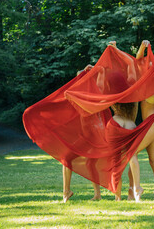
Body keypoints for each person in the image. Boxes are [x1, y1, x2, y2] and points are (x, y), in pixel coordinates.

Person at [127, 40, 154, 200]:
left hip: (153, 124)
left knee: (131, 153)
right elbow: (138, 61)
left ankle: (135, 188)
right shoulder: (149, 85)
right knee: (153, 160)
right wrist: (142, 46)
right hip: (149, 124)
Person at [62, 64, 102, 203]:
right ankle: (96, 194)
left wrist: (90, 72)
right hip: (91, 134)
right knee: (90, 164)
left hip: (93, 135)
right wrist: (86, 71)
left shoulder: (88, 97)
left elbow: (67, 93)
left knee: (67, 159)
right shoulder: (84, 95)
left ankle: (67, 192)